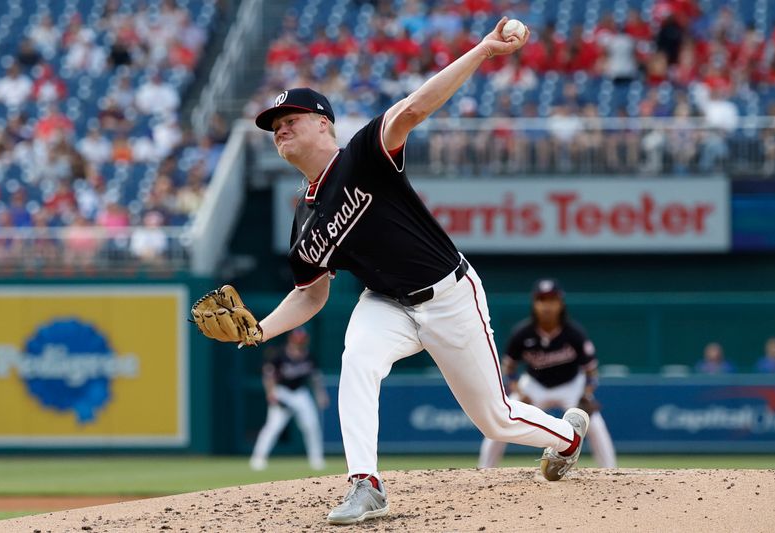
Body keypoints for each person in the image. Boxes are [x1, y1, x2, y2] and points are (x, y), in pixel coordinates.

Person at [247, 18, 590, 525]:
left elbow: (413, 108)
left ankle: (567, 436)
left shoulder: (363, 155)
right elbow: (310, 295)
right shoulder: (302, 222)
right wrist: (259, 329)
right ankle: (365, 485)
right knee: (358, 358)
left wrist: (480, 51)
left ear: (324, 122)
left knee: (494, 419)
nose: (281, 129)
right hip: (386, 302)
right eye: (275, 126)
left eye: (291, 118)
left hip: (449, 294)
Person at [478, 279, 617, 470]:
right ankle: (484, 470)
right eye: (542, 300)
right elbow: (508, 368)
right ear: (534, 304)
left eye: (552, 300)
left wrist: (586, 394)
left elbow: (591, 371)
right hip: (534, 386)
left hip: (571, 386)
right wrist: (518, 390)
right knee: (502, 418)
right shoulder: (522, 334)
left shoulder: (574, 333)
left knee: (595, 424)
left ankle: (611, 471)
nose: (546, 306)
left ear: (561, 303)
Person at [249, 327, 329, 471]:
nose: (299, 341)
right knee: (273, 426)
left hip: (300, 393)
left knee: (311, 425)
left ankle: (316, 459)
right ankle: (258, 458)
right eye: (296, 338)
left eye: (302, 339)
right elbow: (268, 375)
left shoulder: (309, 356)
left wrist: (321, 395)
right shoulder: (279, 355)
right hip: (282, 392)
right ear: (291, 339)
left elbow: (316, 378)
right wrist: (271, 392)